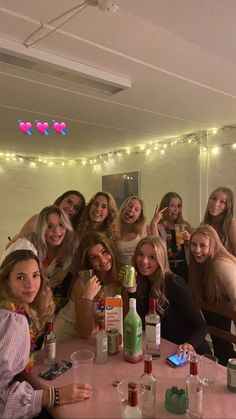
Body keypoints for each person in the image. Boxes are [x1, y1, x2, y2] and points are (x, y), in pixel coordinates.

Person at [0, 249, 92, 419]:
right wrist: (55, 395)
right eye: (21, 277)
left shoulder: (11, 310)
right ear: (7, 281)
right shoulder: (13, 321)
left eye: (35, 275)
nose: (30, 284)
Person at [127, 236, 211, 359]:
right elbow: (140, 322)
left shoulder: (174, 283)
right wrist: (132, 292)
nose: (144, 261)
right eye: (140, 254)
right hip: (162, 349)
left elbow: (201, 326)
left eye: (152, 257)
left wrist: (188, 344)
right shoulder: (141, 281)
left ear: (161, 260)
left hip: (188, 353)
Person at [1, 206, 75, 312]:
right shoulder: (25, 245)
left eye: (61, 225)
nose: (57, 231)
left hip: (45, 307)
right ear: (41, 228)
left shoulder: (68, 252)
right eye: (49, 226)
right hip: (15, 305)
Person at [55, 231, 123, 341]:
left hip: (97, 338)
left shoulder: (120, 277)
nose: (102, 260)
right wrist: (88, 297)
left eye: (104, 252)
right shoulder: (83, 282)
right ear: (88, 262)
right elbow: (84, 332)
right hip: (67, 335)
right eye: (94, 257)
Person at [189, 224, 236, 366]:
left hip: (227, 318)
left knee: (225, 352)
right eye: (194, 245)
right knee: (221, 350)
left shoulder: (220, 265)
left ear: (212, 245)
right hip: (217, 323)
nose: (197, 250)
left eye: (203, 245)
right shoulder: (199, 264)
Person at [8, 190, 85, 244]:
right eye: (69, 202)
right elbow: (16, 243)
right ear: (61, 200)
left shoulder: (73, 232)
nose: (70, 208)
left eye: (76, 208)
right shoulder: (38, 219)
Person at [149, 192, 192, 282]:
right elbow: (155, 247)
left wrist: (190, 238)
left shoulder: (186, 226)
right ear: (165, 207)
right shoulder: (156, 227)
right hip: (165, 270)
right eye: (172, 206)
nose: (176, 209)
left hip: (184, 270)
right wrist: (154, 224)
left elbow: (196, 249)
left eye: (179, 206)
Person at [202, 186, 236, 256]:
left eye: (222, 202)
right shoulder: (204, 224)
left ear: (228, 206)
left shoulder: (231, 225)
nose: (216, 204)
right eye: (214, 199)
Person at [116, 196, 146, 265]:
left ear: (139, 216)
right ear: (123, 208)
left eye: (136, 209)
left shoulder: (142, 231)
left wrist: (154, 224)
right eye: (129, 206)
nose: (131, 210)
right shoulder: (113, 230)